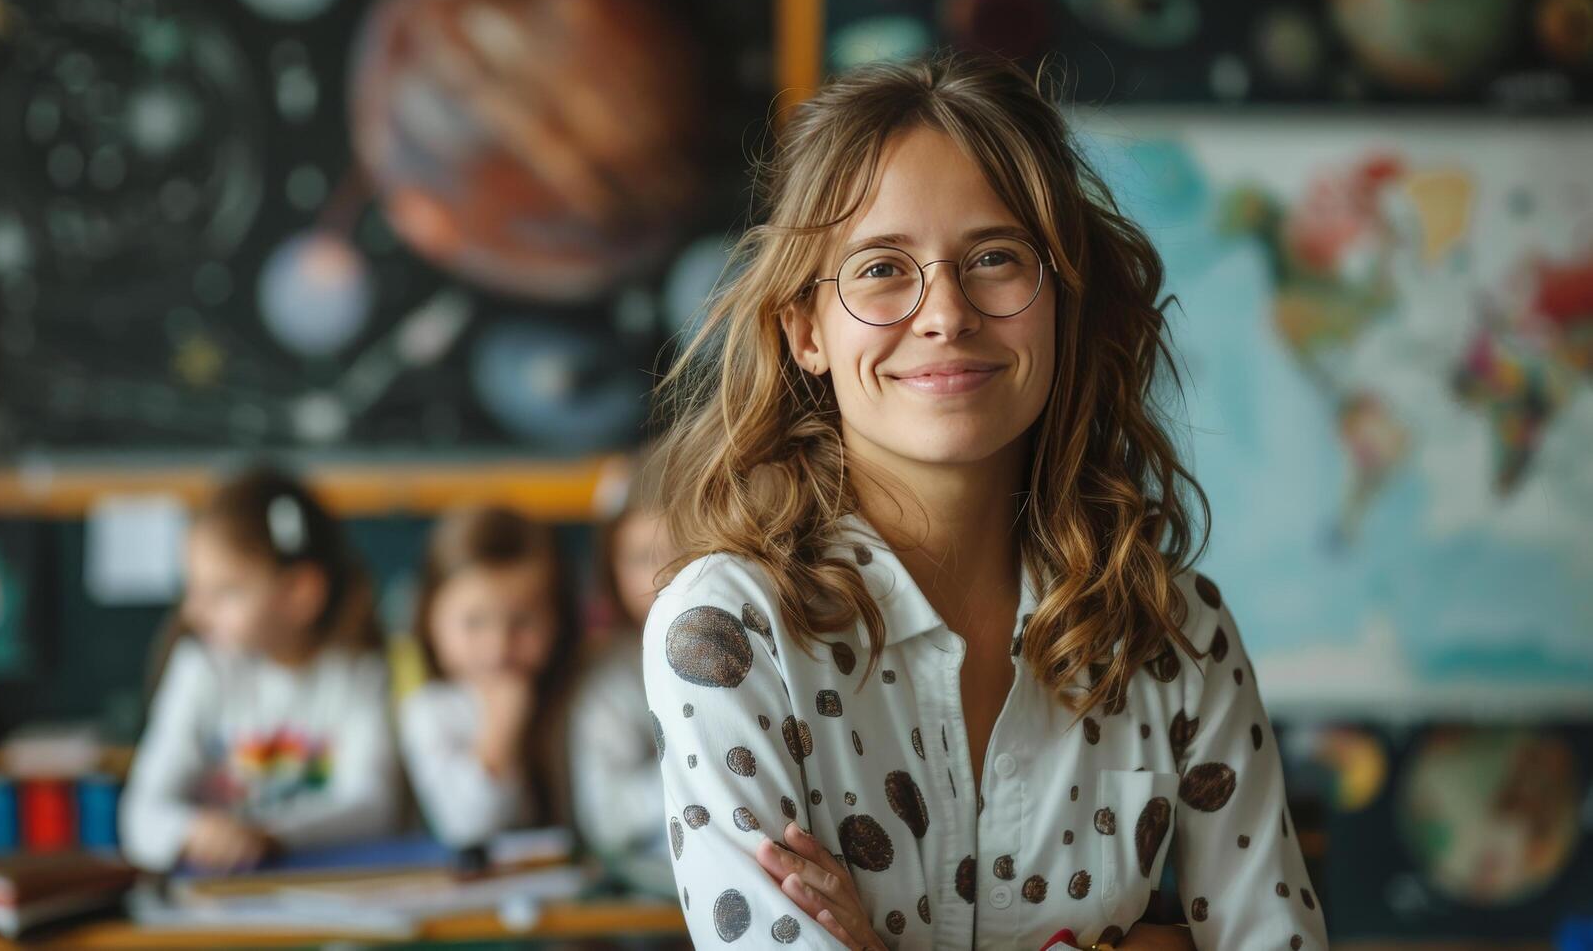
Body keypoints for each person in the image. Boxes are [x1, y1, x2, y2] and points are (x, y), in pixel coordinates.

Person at [641, 49, 1328, 950]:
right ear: (804, 329)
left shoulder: (1176, 633)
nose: (945, 313)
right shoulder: (729, 633)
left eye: (995, 258)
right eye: (882, 268)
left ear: (1062, 303)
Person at [121, 465, 400, 873]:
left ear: (299, 592)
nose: (193, 611)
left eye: (224, 591)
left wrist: (267, 833)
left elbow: (375, 807)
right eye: (193, 589)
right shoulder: (201, 670)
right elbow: (140, 816)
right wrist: (195, 831)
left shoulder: (360, 676)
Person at [397, 504, 579, 848]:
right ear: (429, 619)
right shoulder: (428, 710)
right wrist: (499, 732)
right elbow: (467, 827)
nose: (498, 648)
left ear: (558, 620)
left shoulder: (575, 694)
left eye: (523, 622)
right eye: (474, 622)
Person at [567, 450, 679, 892]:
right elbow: (607, 817)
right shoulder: (608, 678)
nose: (662, 575)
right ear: (609, 569)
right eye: (638, 558)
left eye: (683, 550)